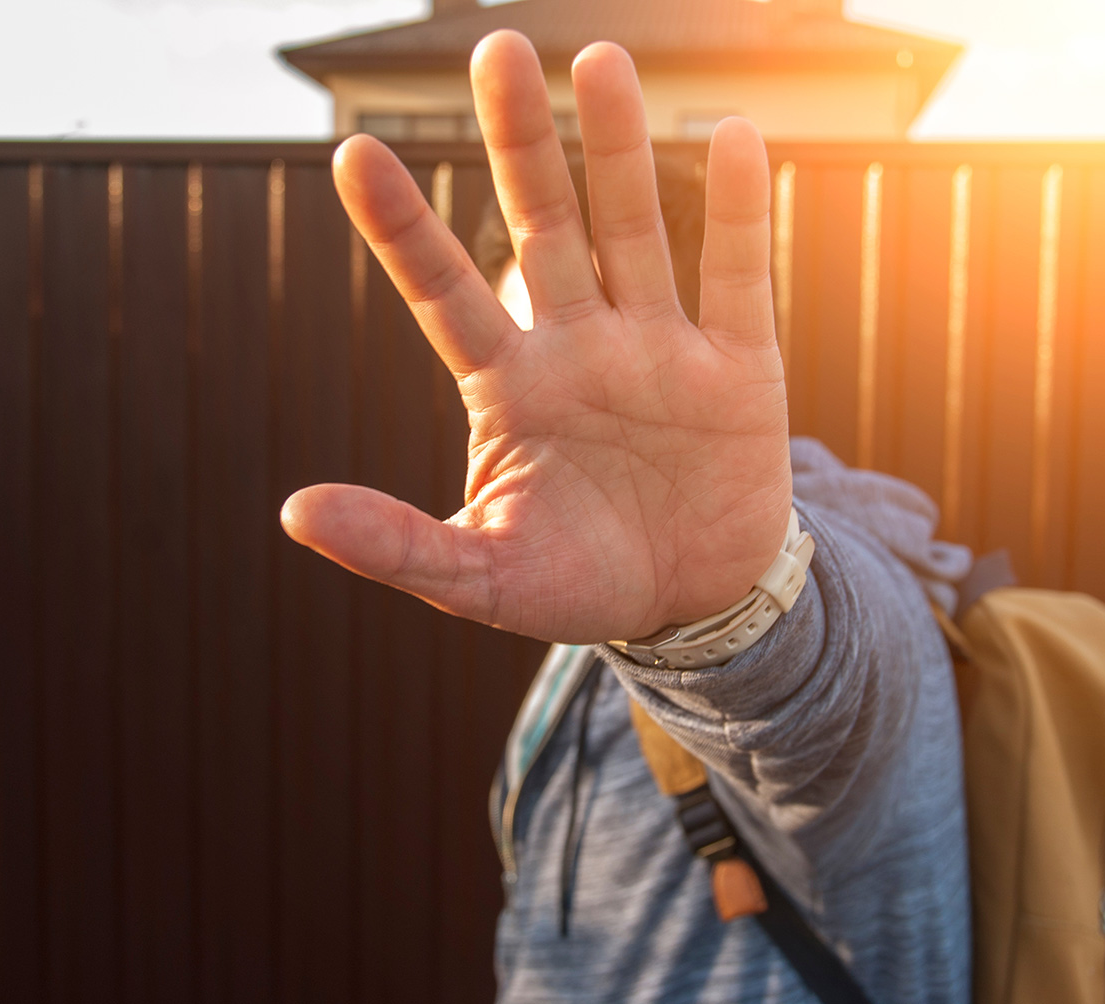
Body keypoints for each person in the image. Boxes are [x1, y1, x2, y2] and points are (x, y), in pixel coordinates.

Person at [281, 29, 972, 1004]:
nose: (565, 411)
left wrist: (727, 617)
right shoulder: (588, 596)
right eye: (526, 349)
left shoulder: (847, 592)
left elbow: (824, 705)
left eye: (600, 341)